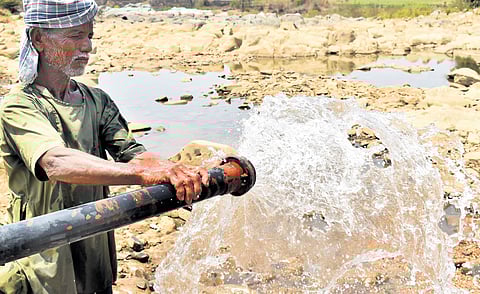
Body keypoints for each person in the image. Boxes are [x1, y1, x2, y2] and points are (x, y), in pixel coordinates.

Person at [0, 0, 208, 293]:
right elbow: (55, 163)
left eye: (90, 36)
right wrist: (141, 176)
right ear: (39, 39)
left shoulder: (96, 100)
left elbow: (135, 154)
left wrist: (171, 169)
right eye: (76, 36)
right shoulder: (19, 104)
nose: (87, 47)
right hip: (42, 248)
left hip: (93, 239)